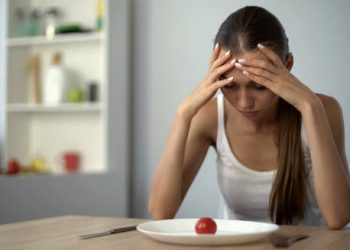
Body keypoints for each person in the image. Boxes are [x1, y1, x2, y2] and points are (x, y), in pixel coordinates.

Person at [148, 6, 350, 228]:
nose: (243, 102)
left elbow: (338, 218)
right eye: (230, 85)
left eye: (259, 86)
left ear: (287, 66)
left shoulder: (323, 110)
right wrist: (183, 114)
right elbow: (161, 211)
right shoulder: (210, 118)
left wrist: (310, 106)